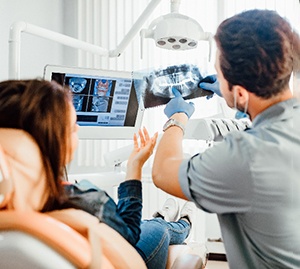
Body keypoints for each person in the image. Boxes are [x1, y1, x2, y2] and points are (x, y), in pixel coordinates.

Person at [152, 9, 300, 269]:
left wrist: (177, 118)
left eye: (220, 75)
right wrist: (235, 98)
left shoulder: (245, 156)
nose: (217, 79)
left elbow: (163, 172)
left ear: (241, 92)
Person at [0, 79, 195, 269]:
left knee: (150, 224)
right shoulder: (86, 203)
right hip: (124, 252)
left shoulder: (16, 206)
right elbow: (130, 233)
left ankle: (166, 216)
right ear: (54, 141)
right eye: (73, 127)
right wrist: (135, 165)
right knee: (157, 227)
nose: (78, 128)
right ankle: (183, 224)